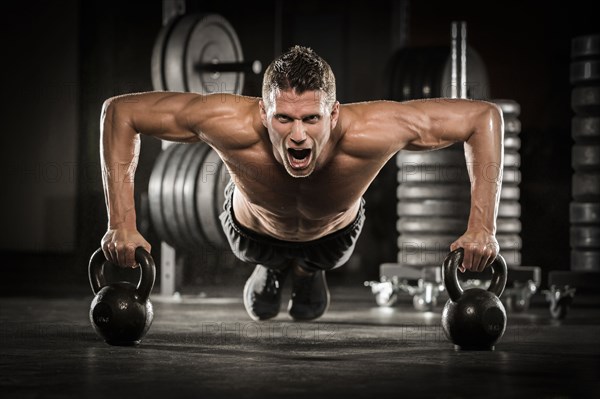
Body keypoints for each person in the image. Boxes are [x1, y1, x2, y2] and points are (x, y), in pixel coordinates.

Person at [100, 45, 503, 321]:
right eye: (284, 119)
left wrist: (482, 229)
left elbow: (483, 119)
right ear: (262, 112)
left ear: (333, 113)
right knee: (261, 304)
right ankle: (271, 267)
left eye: (311, 118)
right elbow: (120, 113)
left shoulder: (375, 129)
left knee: (311, 275)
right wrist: (121, 223)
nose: (297, 135)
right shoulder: (226, 121)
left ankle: (309, 271)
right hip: (252, 230)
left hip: (333, 238)